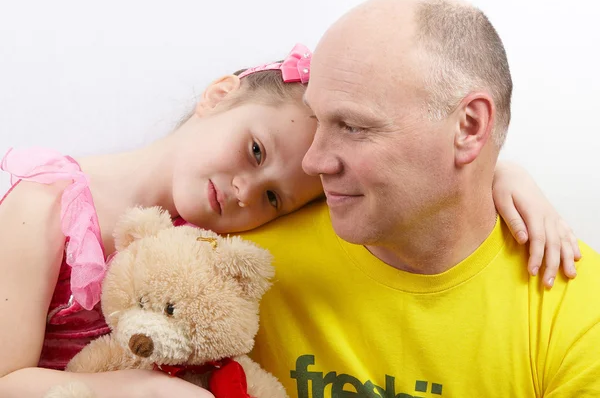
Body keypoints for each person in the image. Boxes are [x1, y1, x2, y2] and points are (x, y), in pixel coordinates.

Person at [0, 41, 580, 398]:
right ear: (220, 94)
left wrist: (499, 175)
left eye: (275, 197)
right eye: (254, 150)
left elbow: (392, 196)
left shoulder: (215, 241)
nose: (245, 191)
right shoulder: (44, 205)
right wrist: (128, 392)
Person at [239, 0, 600, 396]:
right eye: (317, 121)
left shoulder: (580, 316)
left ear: (469, 126)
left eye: (353, 127)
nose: (314, 161)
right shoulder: (244, 268)